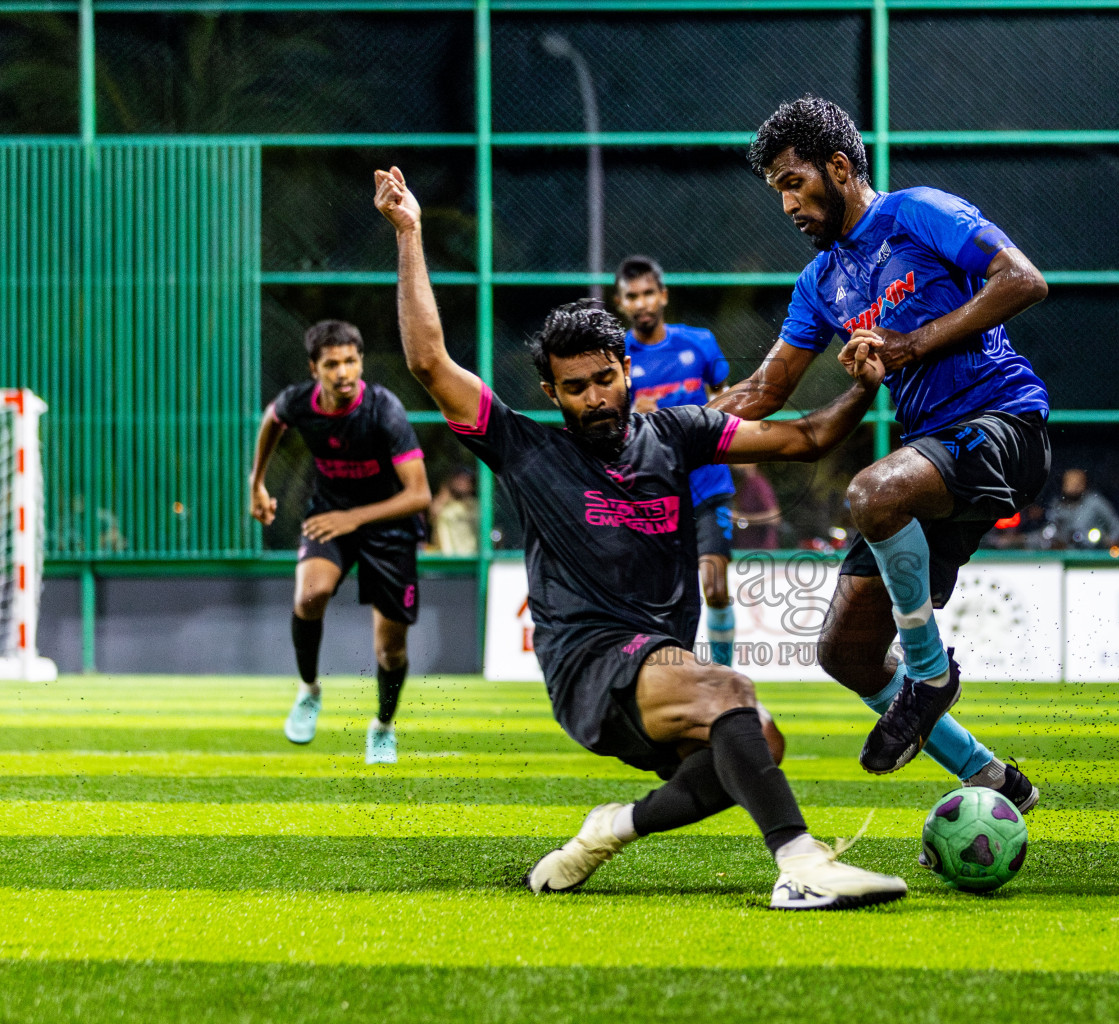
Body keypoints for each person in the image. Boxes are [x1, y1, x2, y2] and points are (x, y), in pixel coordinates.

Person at [374, 164, 906, 910]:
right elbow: (429, 361)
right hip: (589, 661)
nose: (594, 397)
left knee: (759, 744)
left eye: (604, 378)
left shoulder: (677, 432)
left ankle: (609, 829)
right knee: (730, 689)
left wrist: (866, 380)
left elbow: (807, 438)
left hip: (662, 659)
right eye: (575, 387)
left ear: (628, 369)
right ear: (550, 393)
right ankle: (801, 865)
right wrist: (410, 233)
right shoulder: (527, 448)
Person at [714, 96, 1050, 808]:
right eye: (778, 189)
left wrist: (910, 345)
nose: (786, 204)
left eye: (792, 182)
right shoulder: (820, 282)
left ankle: (930, 676)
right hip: (932, 459)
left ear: (839, 167)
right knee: (846, 655)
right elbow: (766, 391)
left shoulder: (918, 212)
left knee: (870, 494)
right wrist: (660, 427)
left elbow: (1023, 280)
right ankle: (996, 781)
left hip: (1002, 424)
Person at [248, 320, 431, 764]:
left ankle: (383, 726)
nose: (343, 372)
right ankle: (310, 690)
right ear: (315, 369)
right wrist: (256, 483)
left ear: (361, 362)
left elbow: (419, 494)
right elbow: (273, 418)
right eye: (332, 364)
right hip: (330, 515)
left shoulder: (383, 410)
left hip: (388, 528)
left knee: (390, 649)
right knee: (311, 594)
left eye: (351, 361)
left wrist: (353, 518)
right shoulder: (300, 402)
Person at [615, 256, 738, 667]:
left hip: (707, 485)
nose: (642, 303)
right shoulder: (617, 359)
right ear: (621, 303)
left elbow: (730, 396)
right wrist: (632, 413)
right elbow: (606, 427)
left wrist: (714, 411)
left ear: (663, 295)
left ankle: (723, 673)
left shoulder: (700, 343)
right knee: (661, 595)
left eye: (649, 292)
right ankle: (670, 675)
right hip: (652, 492)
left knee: (714, 584)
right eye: (632, 296)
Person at [1046, 468, 1119, 548]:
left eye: (1078, 483)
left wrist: (1110, 540)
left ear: (1084, 484)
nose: (1074, 487)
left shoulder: (1095, 502)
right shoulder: (1056, 505)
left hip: (1094, 553)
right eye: (1070, 483)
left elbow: (1118, 527)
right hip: (1068, 554)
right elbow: (1050, 532)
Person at [430, 465, 479, 555]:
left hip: (473, 558)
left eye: (466, 480)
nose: (461, 482)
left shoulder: (477, 505)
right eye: (458, 479)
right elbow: (433, 514)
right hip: (448, 559)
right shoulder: (444, 503)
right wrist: (444, 492)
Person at [733, 463, 783, 550]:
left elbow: (774, 517)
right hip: (746, 551)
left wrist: (742, 519)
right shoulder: (744, 485)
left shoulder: (758, 484)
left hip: (762, 554)